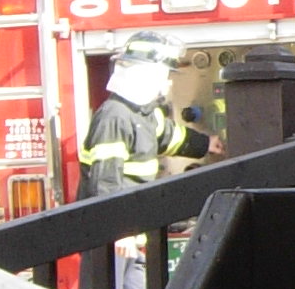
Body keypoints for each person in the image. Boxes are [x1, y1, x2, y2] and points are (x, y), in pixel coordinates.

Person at [77, 29, 207, 198]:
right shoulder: (115, 117)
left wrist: (206, 144)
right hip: (123, 211)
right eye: (163, 75)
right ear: (145, 74)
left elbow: (168, 136)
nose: (167, 82)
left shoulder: (143, 112)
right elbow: (106, 187)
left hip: (137, 207)